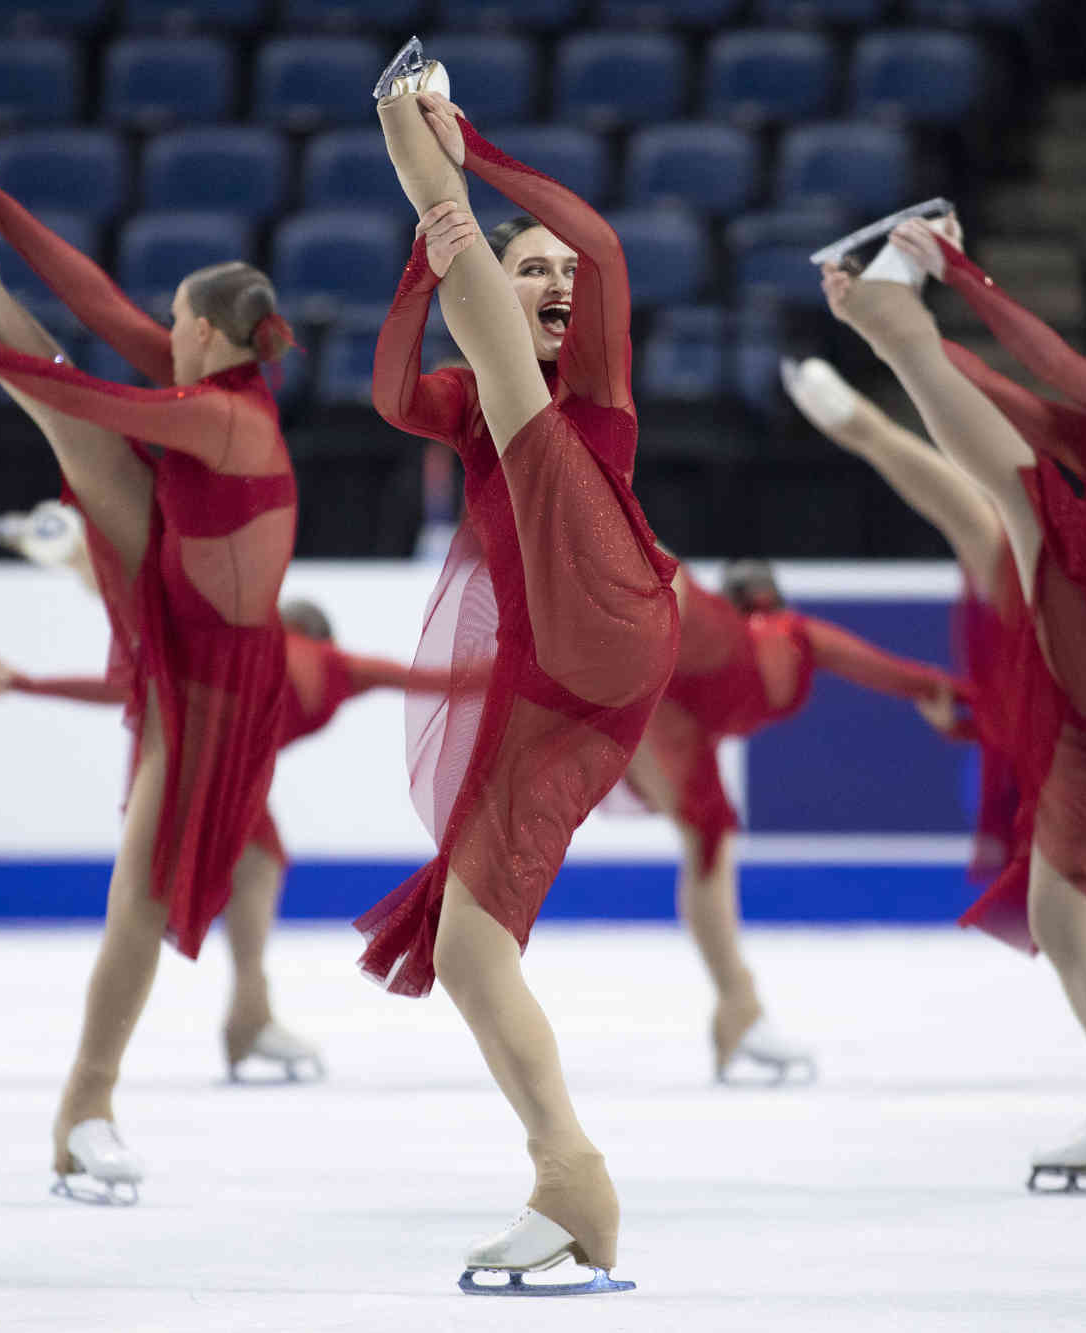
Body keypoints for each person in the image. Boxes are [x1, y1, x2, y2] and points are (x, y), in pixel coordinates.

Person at [0, 126, 298, 1204]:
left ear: (199, 331)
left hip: (218, 678)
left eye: (172, 323)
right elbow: (103, 308)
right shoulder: (227, 379)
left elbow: (90, 394)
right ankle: (84, 1111)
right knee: (142, 894)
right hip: (190, 638)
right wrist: (2, 205)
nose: (158, 331)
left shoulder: (212, 412)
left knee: (65, 408)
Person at [360, 41, 679, 1291]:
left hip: (608, 598)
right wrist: (421, 267)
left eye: (547, 276)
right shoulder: (477, 394)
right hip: (560, 674)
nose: (550, 282)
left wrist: (473, 157)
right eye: (521, 269)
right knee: (467, 948)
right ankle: (568, 1181)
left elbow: (596, 246)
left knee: (521, 403)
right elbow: (394, 393)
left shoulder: (591, 378)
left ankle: (413, 145)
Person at [823, 210, 1086, 1191]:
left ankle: (888, 312)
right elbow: (1004, 390)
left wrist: (950, 271)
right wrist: (902, 340)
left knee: (1022, 498)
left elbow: (1051, 363)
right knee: (1055, 906)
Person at [620, 557, 963, 1083]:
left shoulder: (766, 634)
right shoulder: (798, 634)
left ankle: (740, 1007)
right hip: (665, 702)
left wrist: (946, 694)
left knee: (707, 838)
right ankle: (741, 1008)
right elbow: (890, 671)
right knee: (708, 836)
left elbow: (889, 672)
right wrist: (951, 695)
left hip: (662, 703)